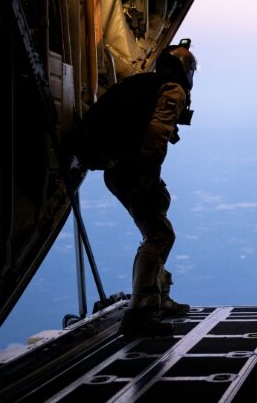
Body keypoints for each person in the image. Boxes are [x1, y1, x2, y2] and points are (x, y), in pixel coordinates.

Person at [68, 39, 197, 337]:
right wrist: (148, 172)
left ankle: (158, 296)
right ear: (185, 70)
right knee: (160, 234)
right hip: (132, 170)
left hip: (116, 167)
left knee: (158, 219)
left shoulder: (141, 83)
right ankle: (141, 311)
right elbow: (156, 132)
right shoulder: (171, 90)